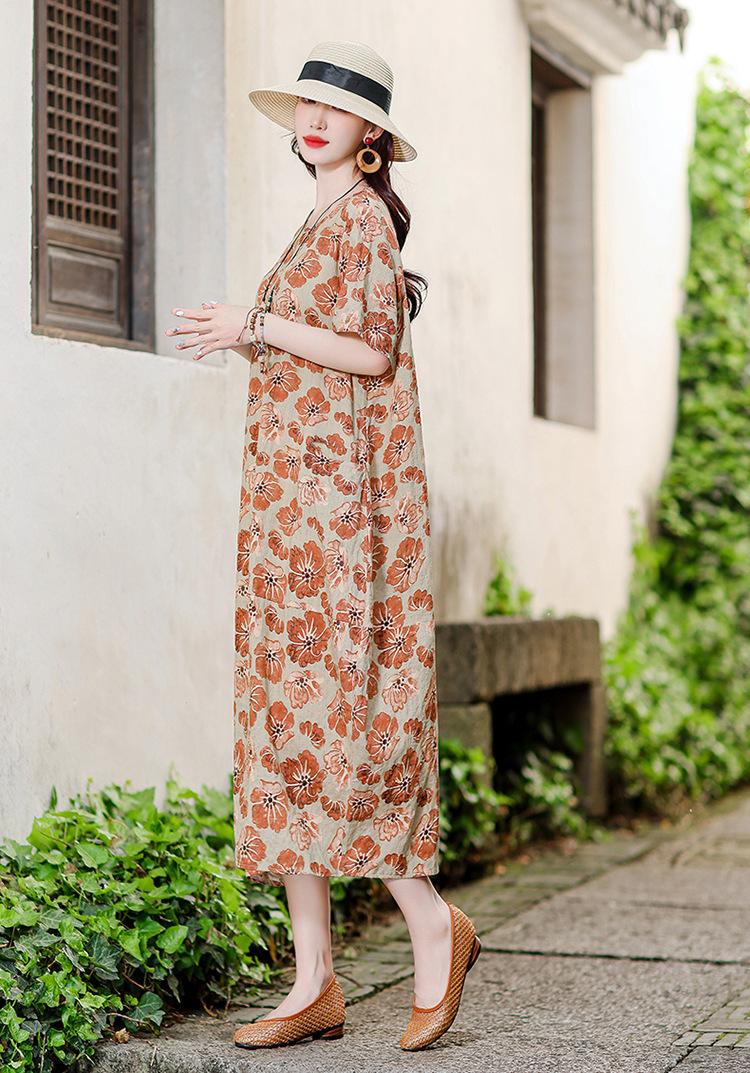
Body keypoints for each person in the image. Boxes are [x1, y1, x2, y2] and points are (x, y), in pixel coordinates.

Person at [165, 38, 480, 1052]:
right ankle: (314, 982)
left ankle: (431, 921)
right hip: (291, 516)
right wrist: (254, 332)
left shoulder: (363, 221)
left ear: (371, 133)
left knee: (353, 716)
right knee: (288, 725)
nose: (313, 120)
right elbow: (318, 353)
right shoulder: (318, 222)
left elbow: (372, 352)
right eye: (305, 105)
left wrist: (254, 323)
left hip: (342, 520)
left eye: (334, 110)